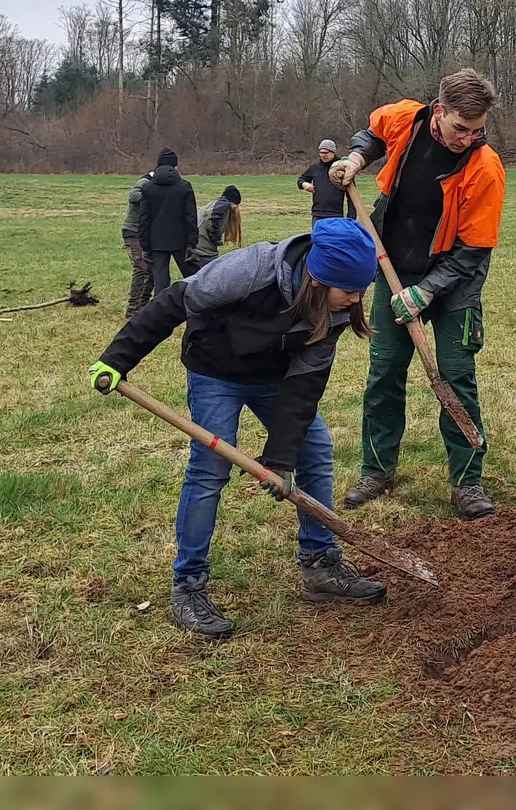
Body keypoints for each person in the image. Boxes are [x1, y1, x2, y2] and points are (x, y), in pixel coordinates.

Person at [87, 217, 385, 639]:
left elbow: (304, 388)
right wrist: (118, 359)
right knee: (209, 470)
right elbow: (175, 301)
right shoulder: (252, 269)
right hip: (216, 372)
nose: (356, 300)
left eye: (361, 291)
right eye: (349, 290)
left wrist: (279, 459)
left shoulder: (335, 310)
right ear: (317, 278)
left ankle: (320, 564)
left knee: (315, 452)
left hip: (276, 378)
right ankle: (188, 586)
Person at [327, 68, 506, 521]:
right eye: (460, 129)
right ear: (439, 111)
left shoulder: (485, 168)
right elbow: (370, 133)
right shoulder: (407, 118)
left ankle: (467, 482)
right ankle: (377, 470)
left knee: (455, 375)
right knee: (384, 372)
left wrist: (427, 291)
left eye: (478, 130)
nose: (468, 138)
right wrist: (355, 159)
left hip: (454, 286)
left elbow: (473, 252)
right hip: (395, 273)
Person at [138, 147, 201, 290]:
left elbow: (143, 219)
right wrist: (192, 244)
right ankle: (200, 308)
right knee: (194, 279)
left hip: (156, 242)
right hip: (181, 241)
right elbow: (191, 218)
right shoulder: (184, 186)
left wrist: (145, 246)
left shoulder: (148, 187)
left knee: (160, 284)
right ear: (175, 166)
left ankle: (160, 311)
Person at [121, 169, 155, 319]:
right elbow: (133, 196)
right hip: (132, 231)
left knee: (150, 268)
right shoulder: (144, 182)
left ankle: (142, 306)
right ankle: (132, 309)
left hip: (143, 233)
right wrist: (153, 196)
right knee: (141, 267)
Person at [297, 139, 357, 224]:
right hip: (317, 215)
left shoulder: (342, 169)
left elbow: (351, 195)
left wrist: (351, 217)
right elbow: (301, 180)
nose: (323, 155)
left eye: (326, 153)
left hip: (336, 215)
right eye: (321, 153)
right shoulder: (315, 168)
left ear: (333, 152)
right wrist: (304, 184)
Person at [190, 185, 243, 269]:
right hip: (203, 251)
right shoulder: (223, 205)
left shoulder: (215, 204)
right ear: (234, 203)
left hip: (196, 247)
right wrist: (216, 238)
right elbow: (211, 218)